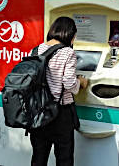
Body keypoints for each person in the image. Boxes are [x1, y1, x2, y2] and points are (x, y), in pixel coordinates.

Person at [29, 16, 88, 166]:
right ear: (71, 35)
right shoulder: (68, 52)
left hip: (39, 112)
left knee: (38, 157)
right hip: (60, 114)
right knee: (64, 158)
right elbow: (68, 83)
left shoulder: (36, 49)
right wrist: (80, 82)